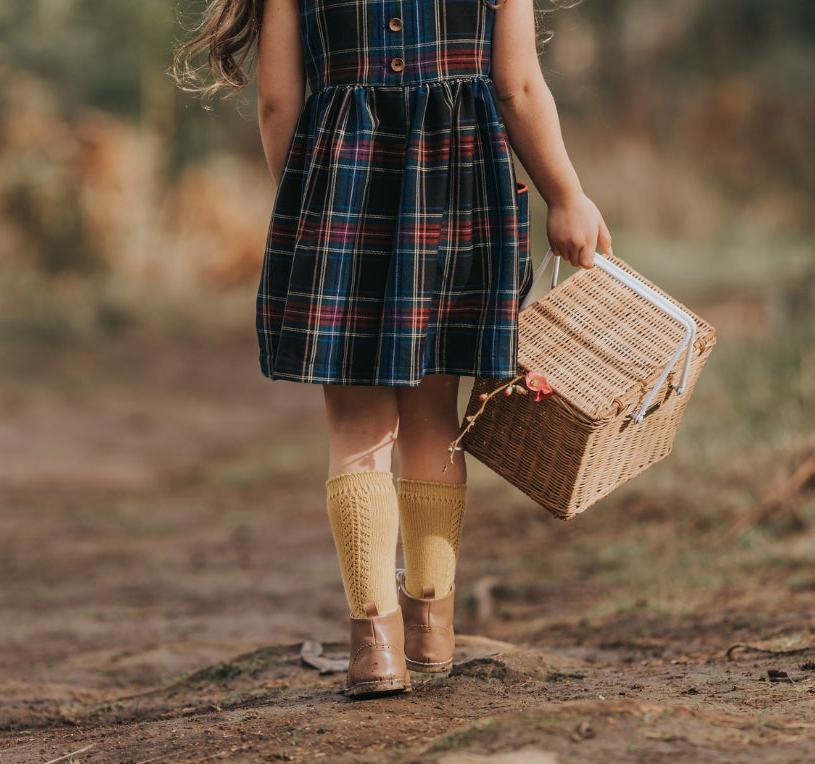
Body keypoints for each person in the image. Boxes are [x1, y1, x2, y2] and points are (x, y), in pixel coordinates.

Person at [175, 0, 610, 698]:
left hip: (340, 191)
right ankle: (432, 626)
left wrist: (307, 202)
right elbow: (520, 88)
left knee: (356, 428)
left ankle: (374, 647)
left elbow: (280, 100)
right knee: (435, 418)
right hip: (460, 187)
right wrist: (567, 194)